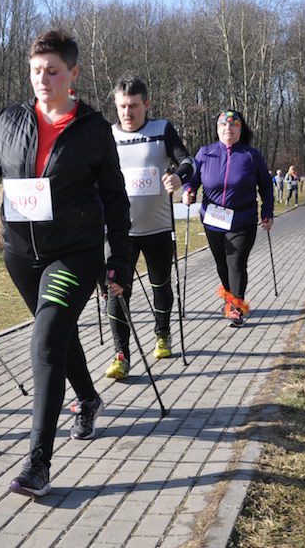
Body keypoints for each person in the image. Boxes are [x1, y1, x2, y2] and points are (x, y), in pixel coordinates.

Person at [0, 30, 130, 498]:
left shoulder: (93, 129)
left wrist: (119, 261)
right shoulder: (10, 120)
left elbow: (114, 198)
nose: (43, 79)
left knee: (44, 341)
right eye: (36, 71)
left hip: (73, 254)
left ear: (73, 74)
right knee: (56, 335)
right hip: (21, 255)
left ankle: (38, 463)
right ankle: (88, 398)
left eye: (53, 71)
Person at [104, 75, 195, 380]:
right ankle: (121, 355)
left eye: (133, 106)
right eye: (122, 106)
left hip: (157, 229)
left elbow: (188, 161)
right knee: (117, 291)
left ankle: (163, 334)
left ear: (146, 104)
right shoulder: (107, 136)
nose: (127, 112)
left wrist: (179, 177)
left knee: (161, 287)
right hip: (120, 234)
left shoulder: (162, 130)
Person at [182, 109, 274, 327]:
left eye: (233, 124)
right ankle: (229, 296)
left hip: (243, 219)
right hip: (213, 219)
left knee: (236, 262)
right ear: (217, 129)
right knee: (221, 264)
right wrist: (188, 191)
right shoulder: (206, 153)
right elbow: (192, 179)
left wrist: (267, 212)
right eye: (223, 124)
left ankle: (236, 307)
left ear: (240, 129)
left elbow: (266, 185)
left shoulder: (251, 155)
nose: (228, 128)